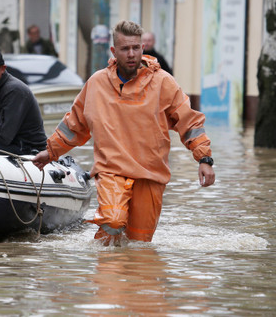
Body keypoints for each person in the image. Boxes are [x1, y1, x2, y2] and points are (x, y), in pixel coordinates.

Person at [32, 20, 215, 245]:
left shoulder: (163, 83)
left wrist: (204, 158)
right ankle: (105, 275)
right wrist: (50, 152)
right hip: (111, 170)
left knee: (139, 246)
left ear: (142, 48)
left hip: (150, 174)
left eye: (135, 48)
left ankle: (127, 275)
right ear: (114, 51)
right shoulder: (97, 84)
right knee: (113, 221)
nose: (131, 54)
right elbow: (73, 125)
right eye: (125, 48)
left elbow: (189, 122)